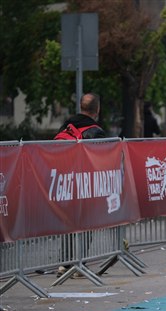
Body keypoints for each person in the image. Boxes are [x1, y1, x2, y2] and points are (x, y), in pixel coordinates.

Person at [55, 93, 105, 277]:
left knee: (68, 223)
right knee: (87, 224)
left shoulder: (66, 126)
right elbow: (101, 160)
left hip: (64, 183)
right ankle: (80, 264)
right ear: (97, 109)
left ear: (81, 107)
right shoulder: (95, 131)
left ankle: (64, 264)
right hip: (86, 184)